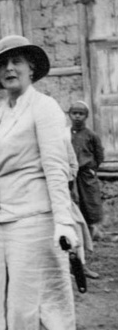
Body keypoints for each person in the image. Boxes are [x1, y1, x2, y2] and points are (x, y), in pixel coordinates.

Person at [0, 35, 104, 330]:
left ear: (32, 68)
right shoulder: (1, 113)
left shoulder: (45, 108)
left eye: (17, 61)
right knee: (25, 308)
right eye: (3, 64)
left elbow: (56, 168)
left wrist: (65, 224)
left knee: (47, 307)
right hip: (10, 220)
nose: (10, 69)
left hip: (40, 219)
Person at [68, 101, 104, 241]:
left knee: (90, 199)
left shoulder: (91, 135)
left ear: (86, 116)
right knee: (73, 199)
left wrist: (92, 168)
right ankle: (77, 231)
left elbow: (99, 153)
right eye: (74, 113)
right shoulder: (66, 133)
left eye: (81, 114)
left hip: (86, 173)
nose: (77, 116)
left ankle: (94, 229)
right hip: (71, 173)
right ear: (69, 115)